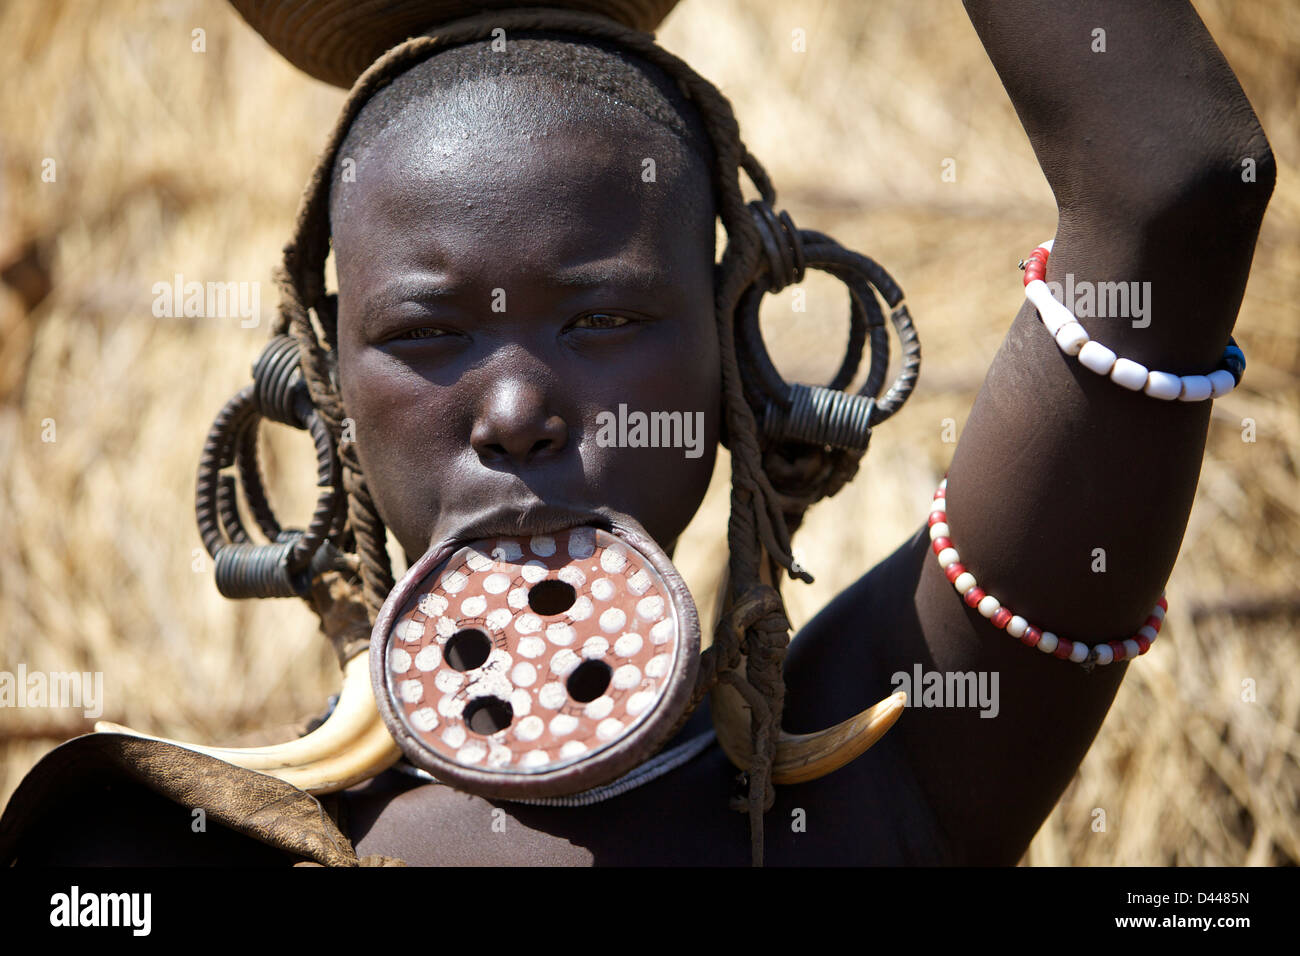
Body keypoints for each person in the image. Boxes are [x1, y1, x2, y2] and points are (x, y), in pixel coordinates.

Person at [0, 0, 1275, 866]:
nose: (513, 409)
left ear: (731, 349)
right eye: (428, 334)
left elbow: (1174, 182)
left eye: (604, 317)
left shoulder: (884, 769)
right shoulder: (158, 849)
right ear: (329, 384)